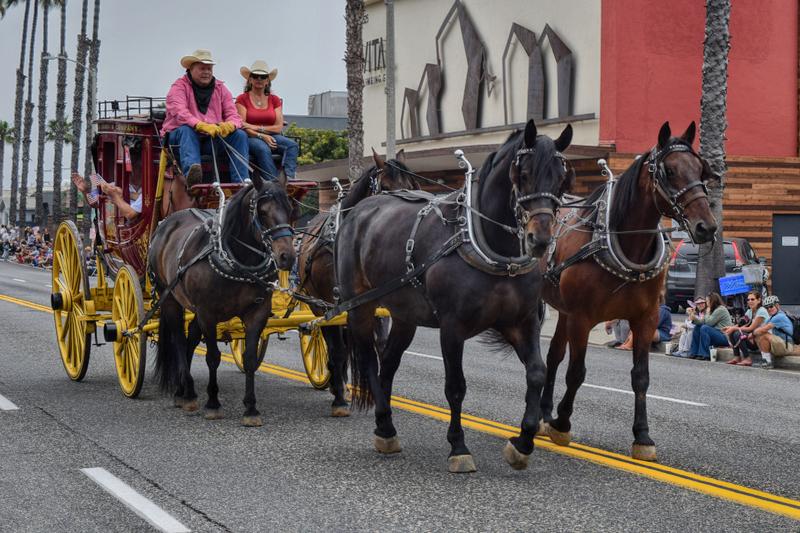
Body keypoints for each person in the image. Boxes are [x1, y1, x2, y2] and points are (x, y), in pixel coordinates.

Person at [161, 49, 249, 185]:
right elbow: (180, 113)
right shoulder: (178, 87)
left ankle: (242, 182)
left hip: (210, 139)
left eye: (209, 68)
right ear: (191, 69)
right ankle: (193, 175)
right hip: (180, 140)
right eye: (202, 68)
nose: (207, 72)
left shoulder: (220, 88)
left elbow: (234, 115)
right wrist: (201, 125)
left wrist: (230, 125)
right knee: (187, 130)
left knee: (240, 135)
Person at [236, 60, 299, 182]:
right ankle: (273, 182)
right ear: (250, 79)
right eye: (255, 76)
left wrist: (258, 128)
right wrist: (261, 135)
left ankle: (288, 178)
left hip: (272, 135)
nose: (259, 79)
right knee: (262, 148)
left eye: (263, 76)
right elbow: (242, 125)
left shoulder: (274, 99)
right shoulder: (242, 99)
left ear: (267, 81)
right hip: (250, 137)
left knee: (292, 145)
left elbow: (278, 127)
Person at [72, 172, 141, 221]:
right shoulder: (113, 185)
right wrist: (85, 191)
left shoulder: (148, 188)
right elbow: (94, 203)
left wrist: (118, 195)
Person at [723, 290, 768, 366]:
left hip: (761, 341)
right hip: (751, 338)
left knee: (738, 333)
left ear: (759, 300)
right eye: (748, 300)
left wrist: (734, 328)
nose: (750, 301)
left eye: (752, 299)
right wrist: (730, 328)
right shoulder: (749, 311)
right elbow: (741, 324)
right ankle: (737, 357)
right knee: (733, 332)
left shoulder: (762, 311)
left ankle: (747, 358)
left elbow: (750, 328)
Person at [752, 295, 794, 369]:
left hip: (787, 345)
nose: (769, 309)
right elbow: (759, 331)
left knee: (763, 334)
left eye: (771, 306)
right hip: (781, 343)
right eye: (766, 307)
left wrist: (752, 333)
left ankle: (768, 362)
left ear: (777, 305)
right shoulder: (772, 317)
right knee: (759, 336)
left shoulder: (779, 316)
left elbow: (762, 330)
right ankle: (765, 359)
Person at [687, 292, 732, 360]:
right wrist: (692, 316)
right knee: (697, 327)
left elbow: (709, 323)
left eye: (707, 301)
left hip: (724, 337)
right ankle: (694, 353)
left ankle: (704, 354)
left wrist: (707, 312)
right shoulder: (712, 310)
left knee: (705, 328)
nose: (706, 303)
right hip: (716, 333)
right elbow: (701, 322)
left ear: (712, 301)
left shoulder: (720, 309)